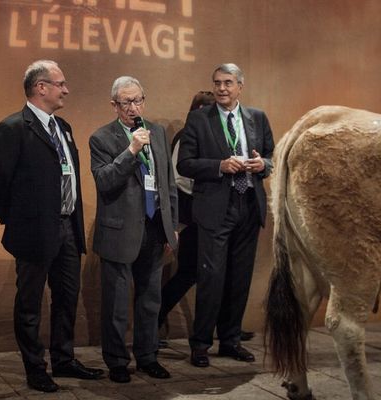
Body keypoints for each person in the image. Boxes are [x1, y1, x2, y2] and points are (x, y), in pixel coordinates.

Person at [0, 60, 103, 393]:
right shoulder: (13, 128)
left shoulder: (62, 126)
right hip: (33, 233)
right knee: (30, 303)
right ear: (41, 87)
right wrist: (17, 220)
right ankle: (35, 368)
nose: (66, 89)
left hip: (67, 228)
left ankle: (64, 360)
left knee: (67, 298)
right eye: (60, 83)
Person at [177, 64, 274, 367]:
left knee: (239, 279)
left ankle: (230, 340)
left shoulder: (256, 117)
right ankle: (201, 344)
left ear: (240, 86)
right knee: (212, 278)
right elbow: (185, 164)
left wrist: (264, 166)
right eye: (217, 83)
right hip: (215, 208)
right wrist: (220, 166)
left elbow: (271, 156)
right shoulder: (198, 119)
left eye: (228, 83)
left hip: (249, 205)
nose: (221, 88)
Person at [89, 76, 178, 383]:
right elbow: (104, 181)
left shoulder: (159, 133)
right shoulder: (101, 138)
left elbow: (168, 183)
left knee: (150, 299)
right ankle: (116, 361)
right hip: (119, 231)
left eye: (138, 100)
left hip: (154, 228)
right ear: (115, 106)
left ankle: (147, 356)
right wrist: (131, 151)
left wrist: (172, 226)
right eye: (126, 102)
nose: (133, 107)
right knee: (115, 303)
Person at [158, 91, 254, 347]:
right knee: (189, 273)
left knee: (219, 273)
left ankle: (226, 329)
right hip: (193, 219)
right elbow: (180, 179)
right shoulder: (187, 136)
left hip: (216, 215)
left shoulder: (219, 137)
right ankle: (153, 322)